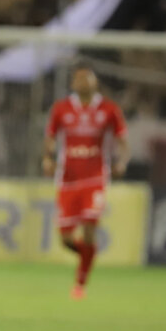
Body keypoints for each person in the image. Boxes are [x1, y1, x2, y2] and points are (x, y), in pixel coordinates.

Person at [42, 65, 129, 299]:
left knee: (90, 227)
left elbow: (122, 139)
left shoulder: (109, 109)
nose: (82, 82)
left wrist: (122, 161)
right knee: (66, 239)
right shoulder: (61, 109)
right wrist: (47, 158)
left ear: (95, 82)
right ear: (72, 84)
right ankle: (88, 255)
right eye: (78, 79)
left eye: (86, 78)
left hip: (95, 177)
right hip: (68, 178)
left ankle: (80, 283)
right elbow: (50, 137)